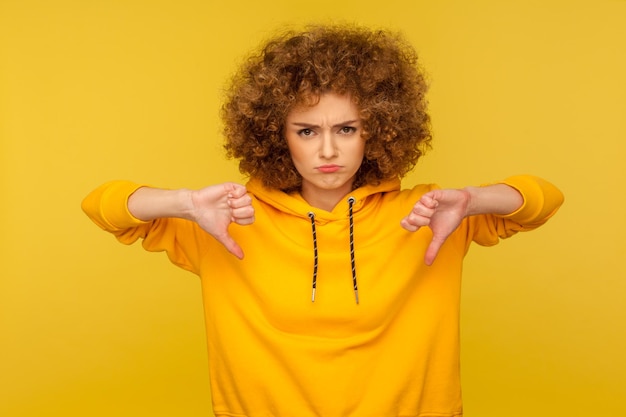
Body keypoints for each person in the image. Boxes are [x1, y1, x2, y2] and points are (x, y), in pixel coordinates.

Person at [82, 24, 563, 417]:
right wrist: (184, 203)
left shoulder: (432, 215)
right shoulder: (225, 221)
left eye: (347, 129)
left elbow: (543, 199)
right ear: (276, 135)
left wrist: (474, 200)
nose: (328, 150)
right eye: (307, 130)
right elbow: (103, 205)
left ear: (377, 130)